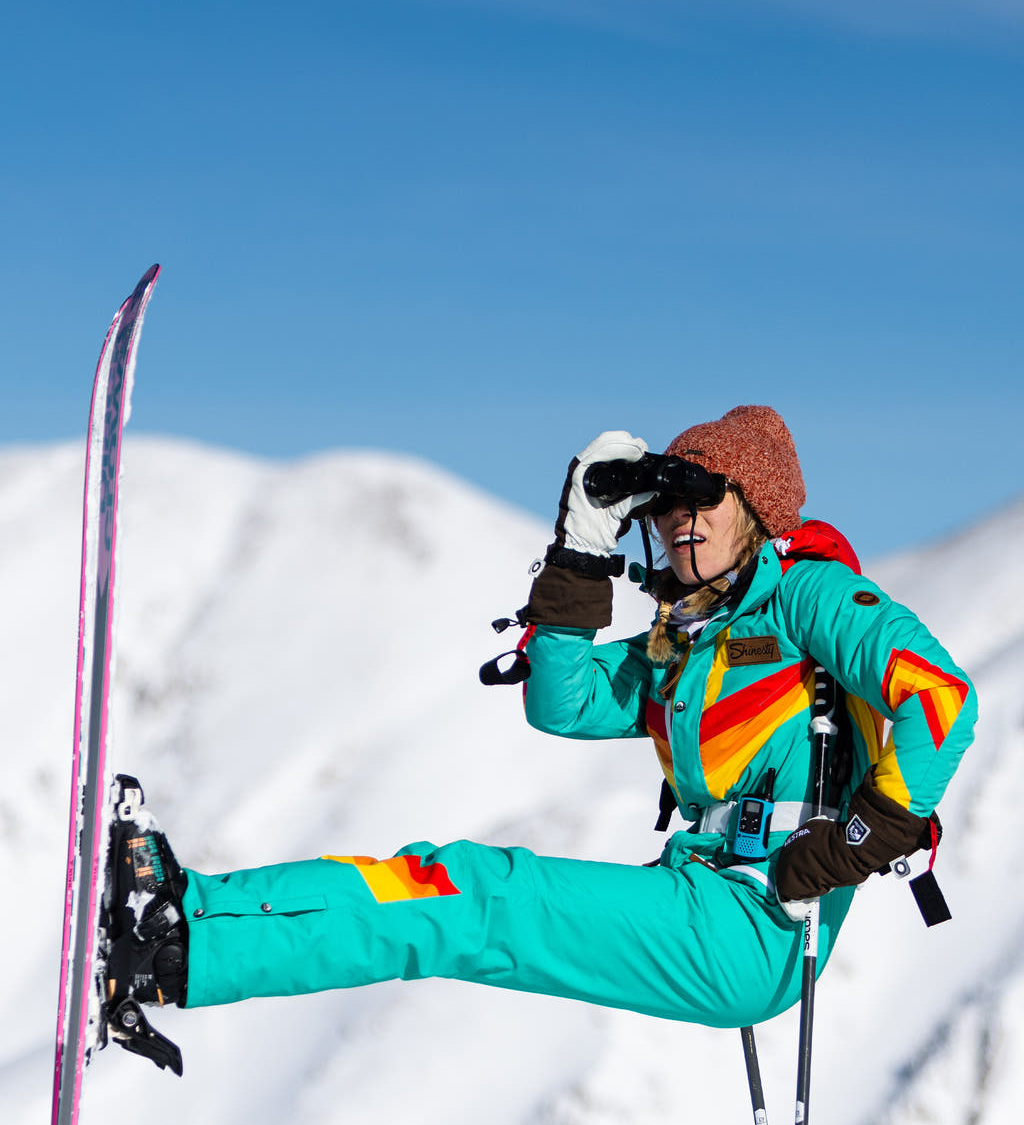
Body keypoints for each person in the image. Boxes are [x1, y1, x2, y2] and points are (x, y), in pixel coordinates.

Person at [106, 406, 976, 1036]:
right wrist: (580, 556)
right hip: (702, 891)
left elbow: (940, 695)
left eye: (704, 497)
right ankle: (189, 915)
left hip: (759, 927)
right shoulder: (688, 644)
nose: (681, 522)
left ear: (754, 506)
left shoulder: (807, 596)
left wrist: (864, 836)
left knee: (475, 898)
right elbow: (560, 702)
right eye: (666, 505)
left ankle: (182, 956)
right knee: (440, 881)